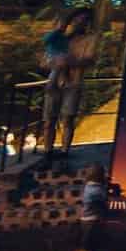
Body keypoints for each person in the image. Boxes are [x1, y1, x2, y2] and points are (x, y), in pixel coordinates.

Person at [42, 10, 93, 160]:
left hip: (74, 82)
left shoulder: (89, 39)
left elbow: (89, 59)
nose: (80, 23)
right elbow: (45, 59)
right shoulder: (60, 38)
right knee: (49, 119)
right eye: (77, 20)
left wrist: (69, 61)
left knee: (68, 118)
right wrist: (55, 62)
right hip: (56, 80)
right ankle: (47, 151)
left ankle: (65, 151)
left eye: (84, 20)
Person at [76, 163, 108, 251]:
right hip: (92, 221)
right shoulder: (96, 190)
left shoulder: (89, 186)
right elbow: (103, 202)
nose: (106, 175)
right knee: (89, 248)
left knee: (88, 245)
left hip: (87, 219)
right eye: (103, 173)